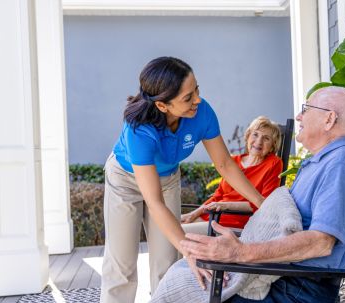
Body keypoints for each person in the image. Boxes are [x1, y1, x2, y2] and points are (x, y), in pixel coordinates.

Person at [181, 86, 345, 303]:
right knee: (186, 276)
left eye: (307, 109)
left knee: (190, 292)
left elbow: (321, 242)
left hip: (297, 288)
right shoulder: (322, 162)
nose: (299, 115)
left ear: (329, 120)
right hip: (283, 275)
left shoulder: (339, 165)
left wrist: (239, 254)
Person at [100, 57, 265, 303]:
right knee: (121, 266)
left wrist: (262, 203)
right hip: (126, 181)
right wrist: (188, 248)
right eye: (187, 97)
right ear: (163, 106)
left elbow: (224, 164)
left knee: (167, 263)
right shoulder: (139, 130)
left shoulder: (201, 112)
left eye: (196, 89)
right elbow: (154, 202)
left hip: (166, 179)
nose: (197, 99)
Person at [181, 116, 283, 234]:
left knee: (177, 232)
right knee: (170, 225)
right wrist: (192, 214)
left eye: (266, 138)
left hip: (234, 221)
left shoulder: (273, 163)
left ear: (273, 145)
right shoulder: (232, 162)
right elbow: (217, 196)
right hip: (215, 216)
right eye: (255, 134)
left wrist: (225, 206)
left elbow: (264, 204)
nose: (259, 141)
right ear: (248, 136)